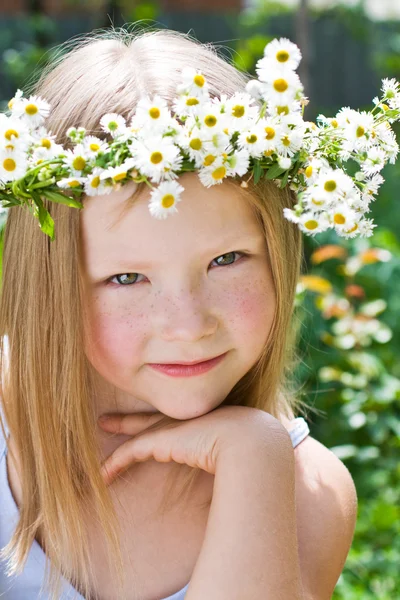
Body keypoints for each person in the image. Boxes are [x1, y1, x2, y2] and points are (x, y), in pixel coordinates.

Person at [0, 25, 367, 600]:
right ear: (49, 288)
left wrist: (253, 456)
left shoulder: (304, 493)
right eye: (126, 278)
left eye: (227, 259)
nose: (189, 324)